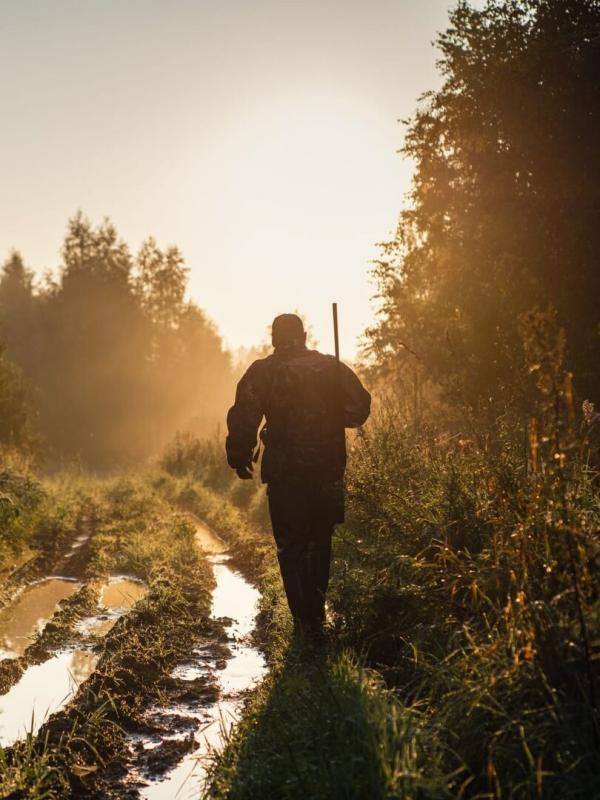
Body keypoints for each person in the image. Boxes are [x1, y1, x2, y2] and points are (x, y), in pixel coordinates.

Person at [225, 313, 371, 637]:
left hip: (285, 473)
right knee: (320, 540)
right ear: (304, 336)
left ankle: (302, 622)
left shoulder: (264, 371)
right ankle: (316, 617)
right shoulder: (331, 368)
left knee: (291, 546)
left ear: (274, 339)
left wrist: (239, 456)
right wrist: (332, 408)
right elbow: (358, 411)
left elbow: (244, 416)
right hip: (327, 469)